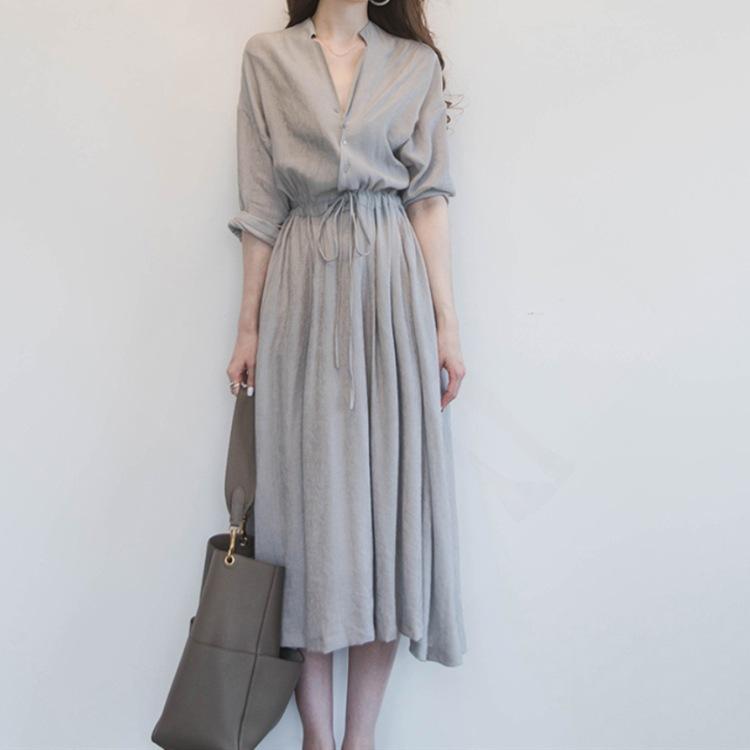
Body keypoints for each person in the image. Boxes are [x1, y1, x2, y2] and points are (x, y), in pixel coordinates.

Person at [226, 1, 467, 747]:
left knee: (386, 510)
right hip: (302, 291)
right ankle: (317, 737)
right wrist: (248, 325)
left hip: (390, 295)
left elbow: (427, 199)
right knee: (302, 516)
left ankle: (359, 740)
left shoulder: (414, 65)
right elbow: (260, 203)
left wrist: (446, 324)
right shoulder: (268, 58)